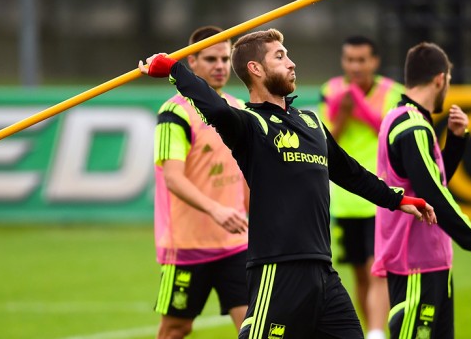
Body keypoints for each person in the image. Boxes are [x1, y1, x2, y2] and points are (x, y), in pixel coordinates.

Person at [140, 28, 436, 339]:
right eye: (280, 57)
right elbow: (214, 108)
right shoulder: (249, 125)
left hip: (324, 272)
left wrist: (398, 199)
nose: (292, 63)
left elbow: (350, 173)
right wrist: (175, 70)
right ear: (256, 69)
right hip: (278, 271)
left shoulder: (311, 122)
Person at [372, 42, 471, 339]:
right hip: (415, 264)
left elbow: (432, 182)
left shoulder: (407, 119)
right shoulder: (411, 125)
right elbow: (432, 194)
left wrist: (456, 142)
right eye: (449, 81)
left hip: (431, 262)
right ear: (440, 79)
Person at [152, 25, 250, 339]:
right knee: (176, 328)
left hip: (237, 245)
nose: (220, 66)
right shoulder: (174, 113)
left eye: (225, 58)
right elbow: (173, 178)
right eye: (211, 59)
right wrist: (217, 210)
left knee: (252, 326)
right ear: (191, 62)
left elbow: (247, 174)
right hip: (188, 246)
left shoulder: (238, 109)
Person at [319, 36, 403, 339]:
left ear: (374, 61)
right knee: (359, 275)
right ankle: (373, 332)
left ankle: (378, 332)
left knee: (376, 269)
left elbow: (390, 133)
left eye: (361, 60)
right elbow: (328, 142)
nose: (355, 66)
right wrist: (342, 113)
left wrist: (361, 107)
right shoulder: (331, 90)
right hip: (345, 200)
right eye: (349, 59)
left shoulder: (394, 92)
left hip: (379, 197)